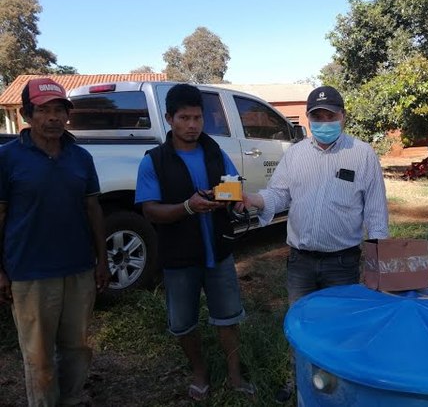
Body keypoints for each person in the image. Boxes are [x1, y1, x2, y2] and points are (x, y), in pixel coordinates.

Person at [243, 85, 389, 403]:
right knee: (302, 326)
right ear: (308, 120)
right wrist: (252, 199)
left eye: (330, 115)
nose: (324, 122)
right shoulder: (294, 155)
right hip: (301, 263)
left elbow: (376, 211)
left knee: (340, 328)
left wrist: (380, 263)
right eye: (317, 116)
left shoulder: (362, 154)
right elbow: (278, 194)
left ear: (343, 116)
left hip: (343, 262)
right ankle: (299, 380)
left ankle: (336, 387)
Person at [135, 83, 255, 402]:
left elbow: (232, 188)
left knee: (228, 316)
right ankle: (199, 372)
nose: (192, 125)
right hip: (179, 256)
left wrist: (237, 201)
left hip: (219, 250)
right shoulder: (154, 161)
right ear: (169, 118)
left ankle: (234, 374)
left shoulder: (215, 151)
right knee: (183, 321)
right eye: (184, 118)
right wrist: (187, 206)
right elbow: (150, 211)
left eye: (198, 118)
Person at [0, 77, 110, 406]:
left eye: (59, 110)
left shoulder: (80, 157)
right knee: (39, 359)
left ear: (67, 115)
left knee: (77, 348)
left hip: (78, 269)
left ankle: (72, 399)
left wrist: (102, 260)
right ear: (26, 114)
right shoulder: (7, 159)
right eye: (43, 110)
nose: (52, 118)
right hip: (30, 272)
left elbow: (93, 208)